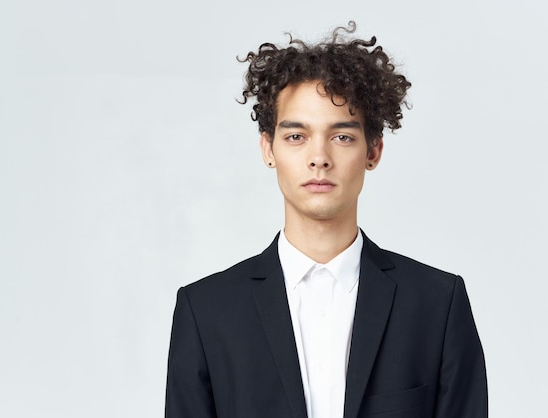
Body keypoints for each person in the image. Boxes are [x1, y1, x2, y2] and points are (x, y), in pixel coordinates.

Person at [165, 22, 487, 418]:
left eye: (342, 137)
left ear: (374, 151)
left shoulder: (437, 304)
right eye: (296, 136)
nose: (319, 158)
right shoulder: (206, 311)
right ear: (268, 149)